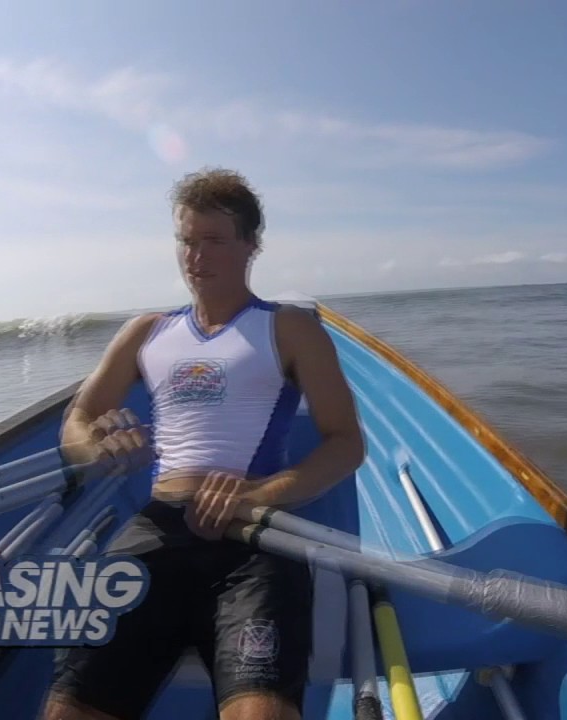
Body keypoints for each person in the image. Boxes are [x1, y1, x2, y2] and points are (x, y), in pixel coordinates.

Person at [42, 168, 366, 720]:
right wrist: (96, 449)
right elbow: (78, 419)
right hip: (155, 530)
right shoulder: (146, 332)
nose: (196, 256)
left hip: (254, 537)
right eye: (186, 241)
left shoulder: (288, 328)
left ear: (251, 245)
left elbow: (345, 444)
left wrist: (263, 494)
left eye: (213, 240)